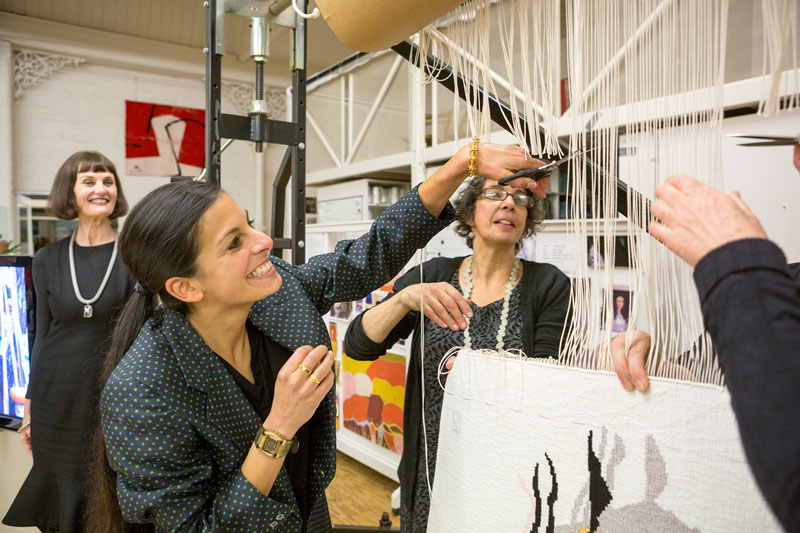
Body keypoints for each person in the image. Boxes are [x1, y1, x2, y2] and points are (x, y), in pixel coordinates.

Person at [88, 144, 545, 531]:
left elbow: (371, 255)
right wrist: (280, 425)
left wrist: (463, 163)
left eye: (249, 224)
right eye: (234, 242)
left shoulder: (279, 295)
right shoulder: (142, 389)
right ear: (185, 287)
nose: (263, 240)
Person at [344, 174, 572, 531]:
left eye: (521, 199)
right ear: (468, 214)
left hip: (509, 465)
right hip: (432, 464)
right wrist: (404, 299)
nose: (509, 204)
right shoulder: (434, 276)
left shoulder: (548, 284)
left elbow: (547, 377)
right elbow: (359, 346)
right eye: (495, 194)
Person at [645, 141, 800, 532]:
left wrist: (737, 263)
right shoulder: (786, 283)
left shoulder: (763, 282)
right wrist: (654, 366)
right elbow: (708, 380)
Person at [3, 151, 132, 533]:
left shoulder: (133, 253)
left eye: (107, 180)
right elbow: (42, 335)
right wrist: (30, 410)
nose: (101, 188)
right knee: (63, 510)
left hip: (112, 398)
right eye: (89, 181)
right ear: (70, 192)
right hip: (56, 404)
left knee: (109, 504)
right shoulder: (47, 258)